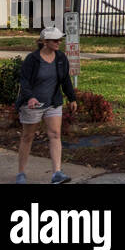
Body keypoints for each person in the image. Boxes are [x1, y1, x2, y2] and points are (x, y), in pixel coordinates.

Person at [14, 26, 78, 184]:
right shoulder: (32, 59)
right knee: (28, 137)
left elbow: (65, 80)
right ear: (45, 41)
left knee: (55, 134)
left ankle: (57, 173)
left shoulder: (61, 58)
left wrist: (72, 98)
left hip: (53, 103)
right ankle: (21, 173)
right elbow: (24, 81)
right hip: (33, 104)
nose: (59, 42)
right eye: (55, 40)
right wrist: (29, 97)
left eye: (59, 40)